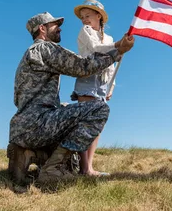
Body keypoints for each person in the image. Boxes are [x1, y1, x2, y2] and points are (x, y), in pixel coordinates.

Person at [8, 11, 134, 185]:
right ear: (42, 29)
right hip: (37, 126)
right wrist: (117, 52)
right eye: (55, 25)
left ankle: (30, 154)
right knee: (99, 109)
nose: (59, 28)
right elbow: (83, 66)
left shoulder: (28, 55)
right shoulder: (45, 49)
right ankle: (53, 169)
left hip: (21, 128)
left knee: (66, 107)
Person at [71, 0, 117, 176]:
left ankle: (89, 165)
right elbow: (96, 48)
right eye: (82, 17)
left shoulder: (110, 38)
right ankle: (84, 168)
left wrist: (111, 86)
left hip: (102, 82)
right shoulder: (86, 31)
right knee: (86, 122)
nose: (84, 19)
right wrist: (117, 47)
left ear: (98, 16)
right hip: (88, 78)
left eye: (88, 16)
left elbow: (111, 64)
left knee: (98, 124)